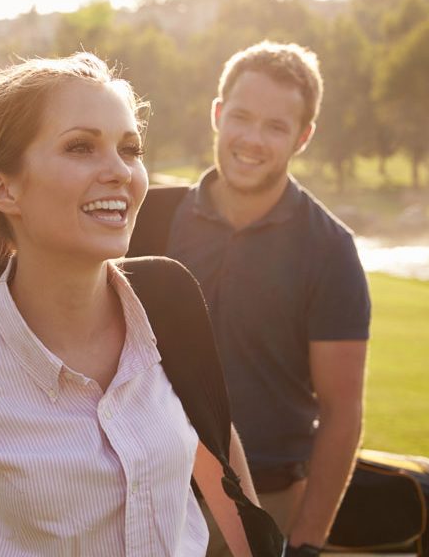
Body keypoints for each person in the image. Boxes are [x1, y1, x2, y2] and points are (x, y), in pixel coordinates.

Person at [0, 53, 261, 556]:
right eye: (81, 147)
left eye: (130, 149)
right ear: (4, 189)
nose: (119, 172)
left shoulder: (172, 306)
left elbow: (219, 459)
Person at [131, 42, 370, 557]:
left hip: (261, 502)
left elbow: (342, 410)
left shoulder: (330, 249)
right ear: (218, 114)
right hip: (140, 489)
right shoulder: (147, 215)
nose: (252, 139)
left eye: (276, 126)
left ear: (302, 137)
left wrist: (304, 543)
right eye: (241, 117)